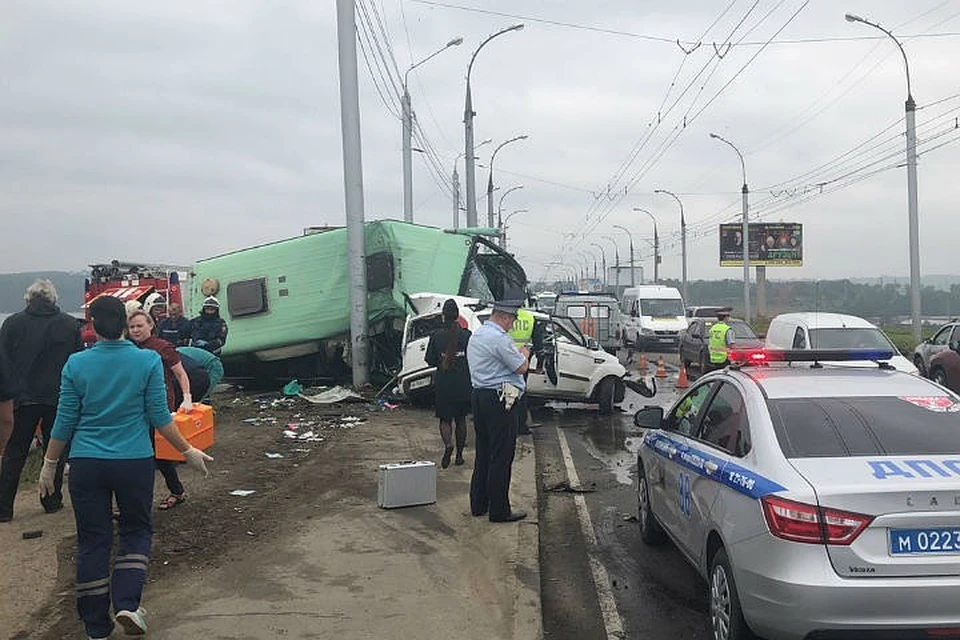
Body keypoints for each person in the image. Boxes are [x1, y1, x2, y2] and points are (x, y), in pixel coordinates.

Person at [41, 295, 212, 639]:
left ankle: (96, 626)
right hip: (133, 461)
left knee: (93, 540)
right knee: (136, 531)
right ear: (124, 324)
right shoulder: (146, 361)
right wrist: (188, 449)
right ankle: (127, 603)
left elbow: (64, 421)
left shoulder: (75, 364)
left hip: (86, 463)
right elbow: (159, 418)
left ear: (91, 327)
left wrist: (49, 465)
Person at [0, 279, 82, 522]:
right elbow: (77, 362)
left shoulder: (12, 323)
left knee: (15, 452)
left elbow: (3, 361)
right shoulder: (69, 324)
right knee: (55, 450)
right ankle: (51, 500)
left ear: (28, 299)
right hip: (59, 396)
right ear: (53, 299)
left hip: (21, 397)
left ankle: (3, 508)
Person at [467, 292, 529, 523]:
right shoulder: (500, 339)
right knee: (501, 455)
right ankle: (499, 510)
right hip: (500, 400)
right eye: (512, 320)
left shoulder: (478, 335)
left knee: (483, 452)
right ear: (505, 317)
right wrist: (525, 353)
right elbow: (521, 368)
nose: (513, 325)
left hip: (480, 396)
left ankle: (478, 503)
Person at [127, 311, 194, 510]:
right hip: (136, 407)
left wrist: (187, 398)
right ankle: (176, 491)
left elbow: (181, 374)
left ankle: (139, 503)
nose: (136, 330)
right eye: (132, 327)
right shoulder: (128, 349)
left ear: (151, 326)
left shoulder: (163, 347)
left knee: (154, 452)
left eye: (140, 326)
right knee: (156, 454)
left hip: (160, 405)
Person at [424, 299, 472, 469]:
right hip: (464, 384)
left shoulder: (436, 336)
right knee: (461, 419)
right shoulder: (467, 335)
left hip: (444, 384)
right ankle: (459, 455)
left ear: (444, 316)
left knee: (445, 419)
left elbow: (429, 360)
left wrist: (441, 359)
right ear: (458, 316)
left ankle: (448, 445)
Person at [507, 307, 536, 435]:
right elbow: (534, 341)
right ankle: (521, 426)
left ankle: (510, 425)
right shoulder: (529, 317)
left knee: (507, 394)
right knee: (521, 393)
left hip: (506, 359)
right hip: (523, 358)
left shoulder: (507, 316)